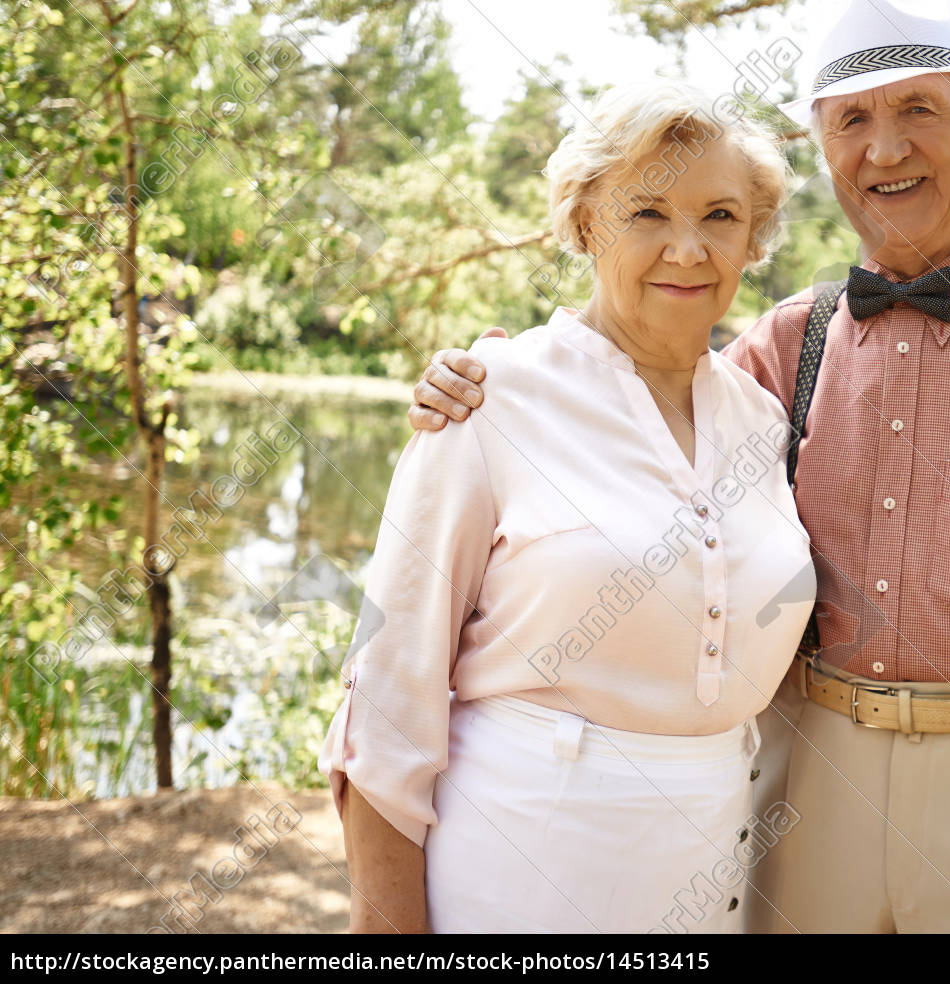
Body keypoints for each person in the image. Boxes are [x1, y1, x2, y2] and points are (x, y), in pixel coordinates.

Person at [410, 0, 950, 933]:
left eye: (919, 109)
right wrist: (493, 373)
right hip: (811, 784)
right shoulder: (780, 347)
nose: (885, 149)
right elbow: (636, 401)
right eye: (852, 120)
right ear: (824, 147)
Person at [319, 82, 815, 934]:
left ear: (754, 237)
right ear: (586, 223)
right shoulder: (489, 401)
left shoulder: (763, 420)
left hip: (713, 877)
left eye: (720, 216)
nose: (687, 250)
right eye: (647, 213)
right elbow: (390, 697)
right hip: (515, 876)